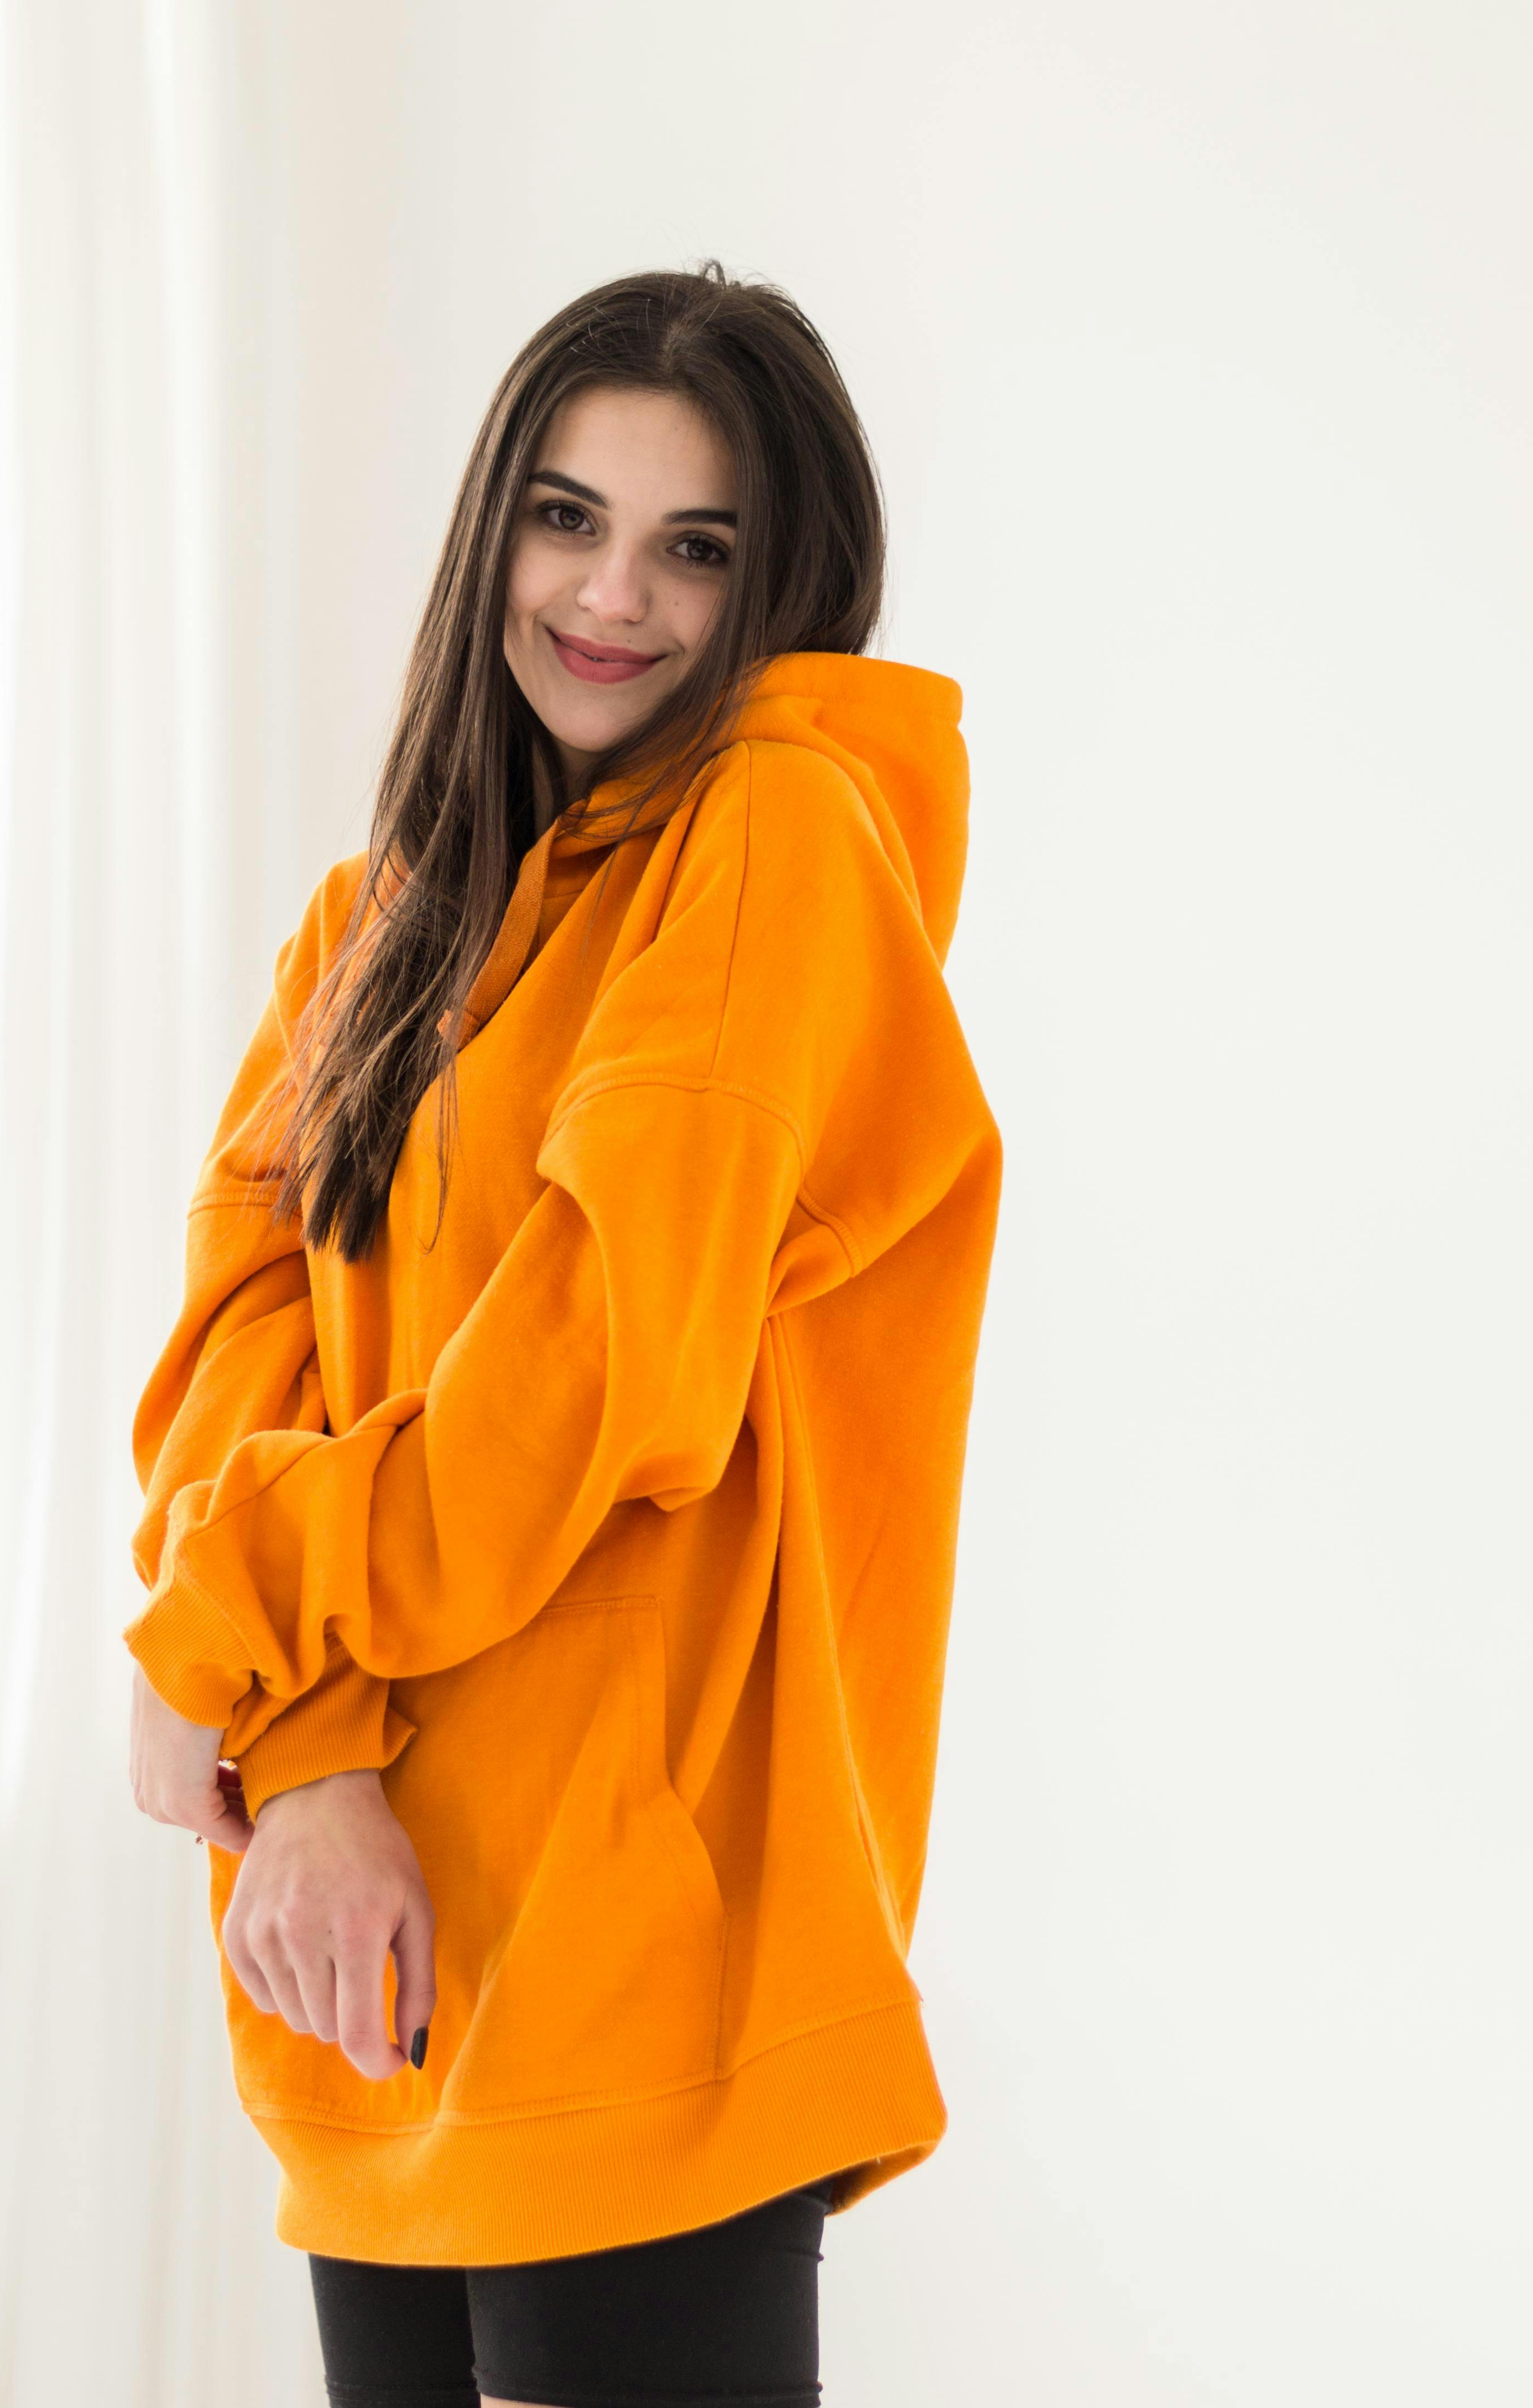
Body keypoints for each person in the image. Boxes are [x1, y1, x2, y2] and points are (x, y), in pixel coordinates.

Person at [125, 262, 1002, 2408]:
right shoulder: (373, 922)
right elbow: (233, 1346)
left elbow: (595, 1381)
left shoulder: (780, 841)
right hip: (368, 1943)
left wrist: (224, 1626)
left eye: (697, 546)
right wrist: (306, 1748)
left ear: (788, 581)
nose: (614, 593)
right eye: (565, 514)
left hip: (638, 1954)